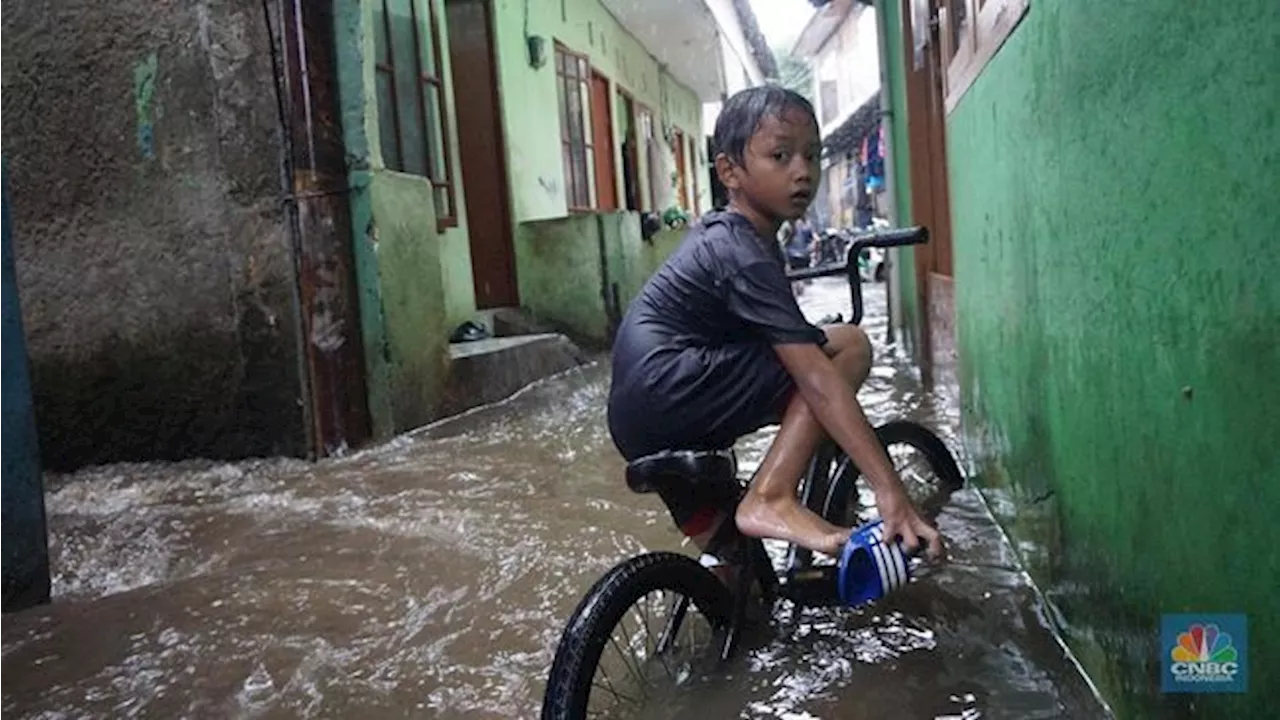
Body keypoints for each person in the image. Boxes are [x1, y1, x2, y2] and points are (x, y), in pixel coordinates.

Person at [606, 86, 944, 563]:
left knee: (741, 580)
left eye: (812, 155)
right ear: (729, 171)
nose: (802, 171)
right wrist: (891, 492)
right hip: (672, 389)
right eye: (780, 155)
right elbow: (815, 378)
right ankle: (772, 495)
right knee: (846, 348)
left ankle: (724, 600)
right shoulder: (740, 248)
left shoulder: (732, 239)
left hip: (637, 418)